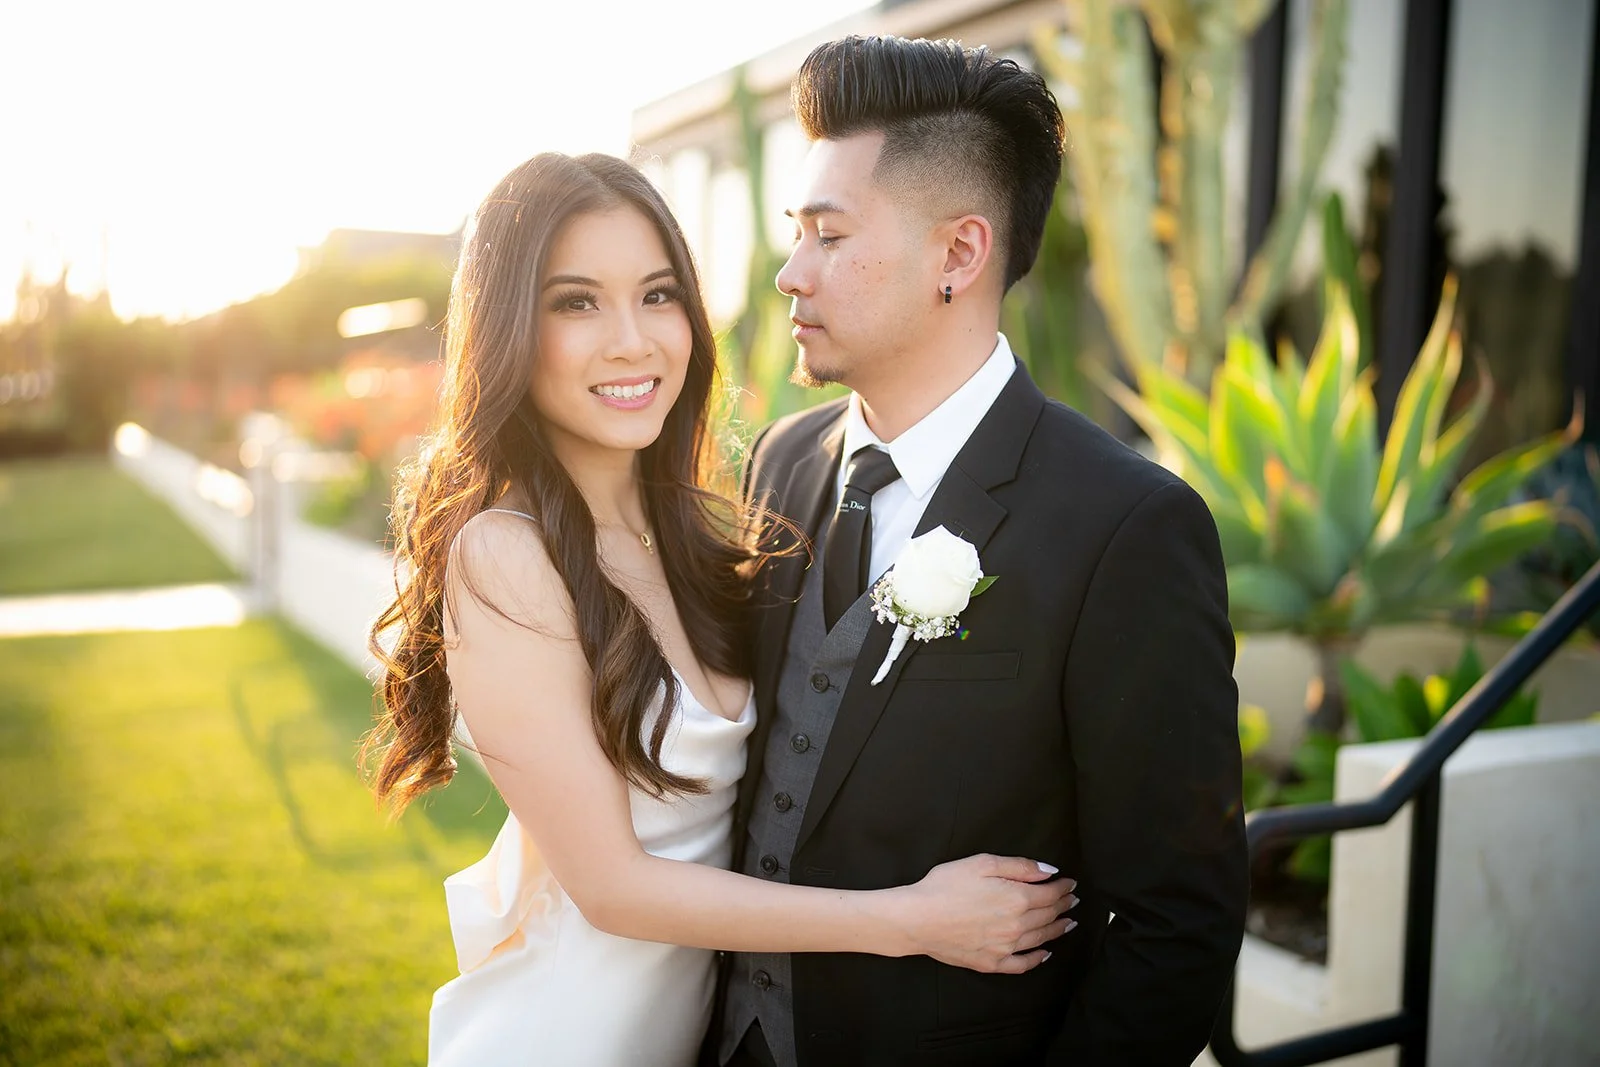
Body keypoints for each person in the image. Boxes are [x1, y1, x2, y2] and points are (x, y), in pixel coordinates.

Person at [361, 151, 1078, 1067]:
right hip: (563, 1035)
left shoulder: (693, 531)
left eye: (657, 295)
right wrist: (912, 920)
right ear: (508, 329)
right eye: (576, 303)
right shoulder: (506, 554)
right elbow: (613, 888)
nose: (633, 340)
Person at [714, 36, 1250, 1067]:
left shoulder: (1127, 527)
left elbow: (1177, 920)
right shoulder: (779, 460)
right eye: (796, 233)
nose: (790, 272)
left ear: (959, 254)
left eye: (829, 235)